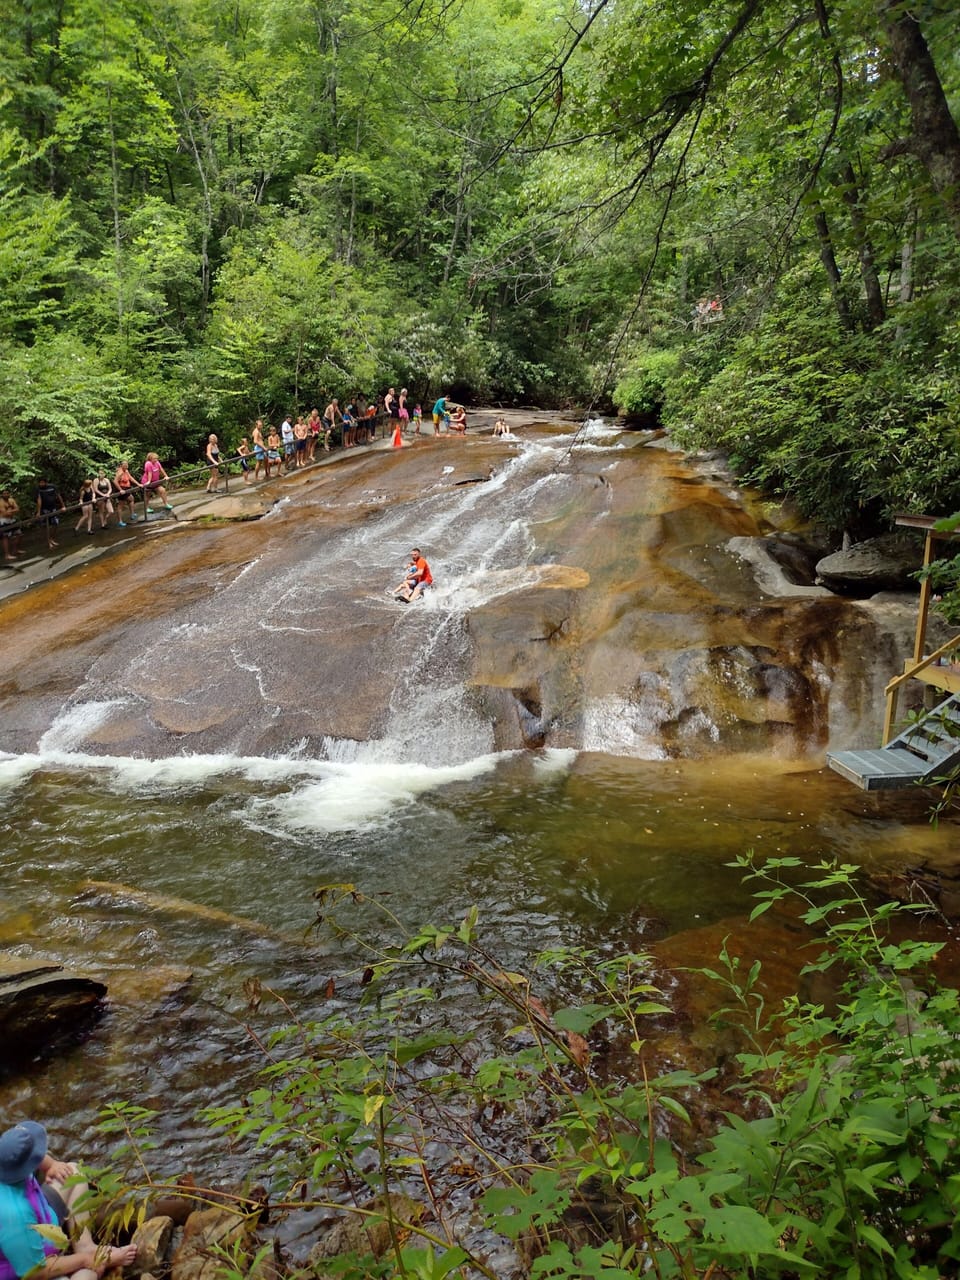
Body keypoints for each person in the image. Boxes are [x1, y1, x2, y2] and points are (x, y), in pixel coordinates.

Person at [0, 1120, 138, 1280]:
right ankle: (86, 1257)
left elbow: (32, 1155)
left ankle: (85, 1246)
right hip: (27, 1266)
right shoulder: (14, 1216)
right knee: (87, 1274)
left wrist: (52, 1165)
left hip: (40, 1216)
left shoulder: (6, 1162)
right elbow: (34, 1272)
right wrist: (85, 1260)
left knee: (72, 1173)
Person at [35, 479, 66, 549]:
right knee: (46, 526)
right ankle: (48, 541)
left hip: (53, 508)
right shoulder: (38, 489)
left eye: (43, 482)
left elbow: (58, 496)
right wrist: (38, 512)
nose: (41, 484)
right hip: (44, 509)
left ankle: (52, 538)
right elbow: (39, 500)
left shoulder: (52, 487)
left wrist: (63, 506)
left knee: (55, 523)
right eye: (40, 483)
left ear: (46, 482)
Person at [0, 492, 22, 561]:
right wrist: (13, 511)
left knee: (19, 534)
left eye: (7, 493)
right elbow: (5, 513)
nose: (6, 494)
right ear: (2, 495)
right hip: (3, 520)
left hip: (12, 519)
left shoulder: (11, 500)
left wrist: (10, 511)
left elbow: (18, 509)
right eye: (4, 493)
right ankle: (7, 555)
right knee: (5, 537)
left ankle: (15, 550)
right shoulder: (1, 502)